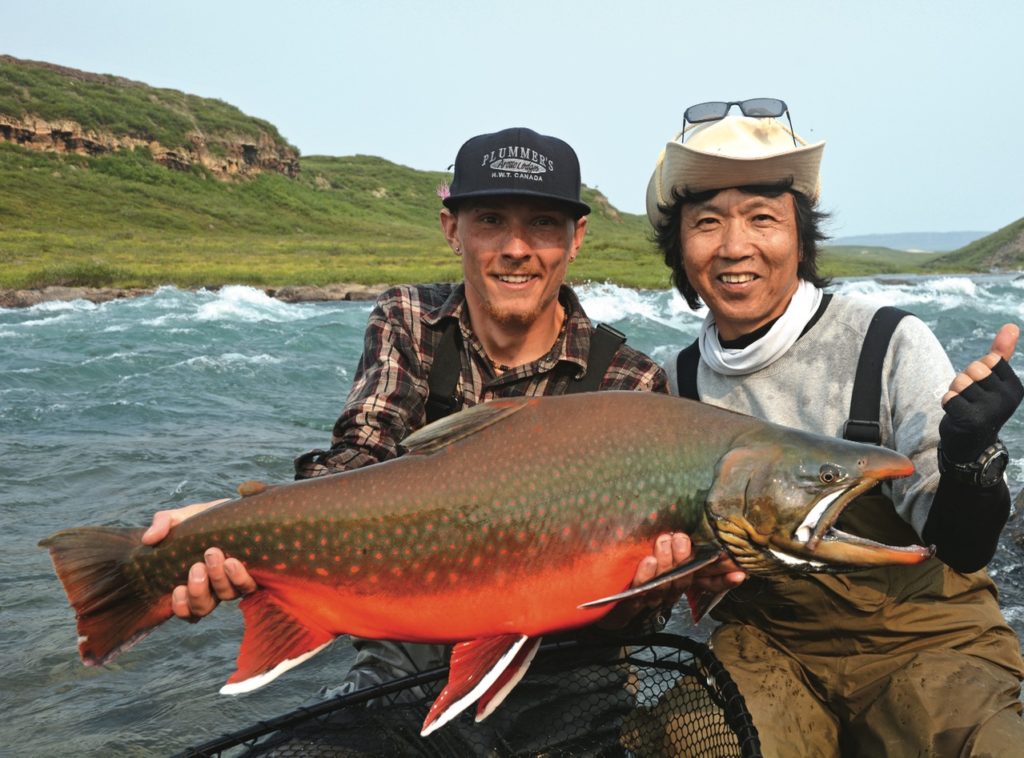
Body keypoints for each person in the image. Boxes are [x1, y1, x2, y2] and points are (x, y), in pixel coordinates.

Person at [142, 127, 709, 709]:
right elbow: (357, 460)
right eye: (490, 220)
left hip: (569, 658)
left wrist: (646, 593)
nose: (517, 247)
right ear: (451, 230)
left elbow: (641, 620)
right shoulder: (408, 320)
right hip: (407, 638)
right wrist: (229, 526)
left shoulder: (630, 382)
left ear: (576, 237)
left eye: (542, 223)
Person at [646, 99, 1024, 756]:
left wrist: (971, 461)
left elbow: (963, 545)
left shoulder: (889, 342)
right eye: (707, 223)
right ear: (679, 248)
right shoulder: (671, 386)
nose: (736, 247)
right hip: (769, 646)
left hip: (927, 638)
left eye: (763, 219)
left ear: (800, 236)